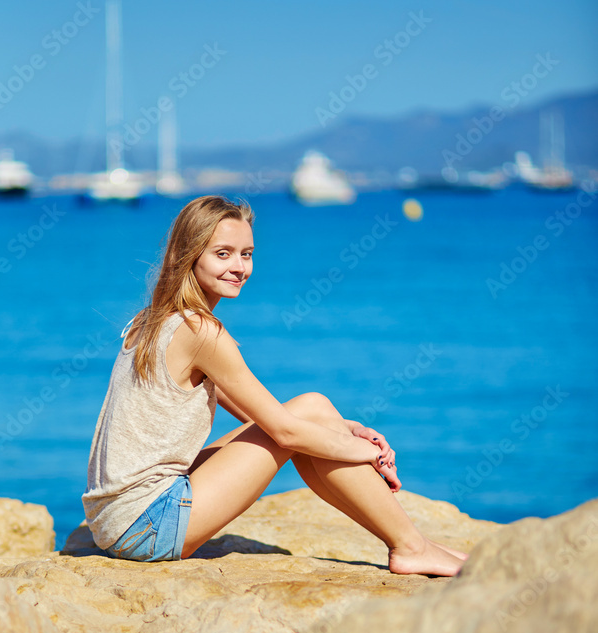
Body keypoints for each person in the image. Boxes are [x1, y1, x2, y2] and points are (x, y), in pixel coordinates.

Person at [83, 195, 466, 576]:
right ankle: (411, 547)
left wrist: (350, 431)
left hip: (116, 518)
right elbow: (283, 430)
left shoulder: (152, 319)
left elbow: (258, 413)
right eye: (223, 254)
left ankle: (414, 543)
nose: (239, 267)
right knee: (302, 421)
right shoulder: (200, 332)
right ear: (189, 255)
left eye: (246, 254)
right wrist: (366, 454)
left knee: (313, 407)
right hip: (147, 524)